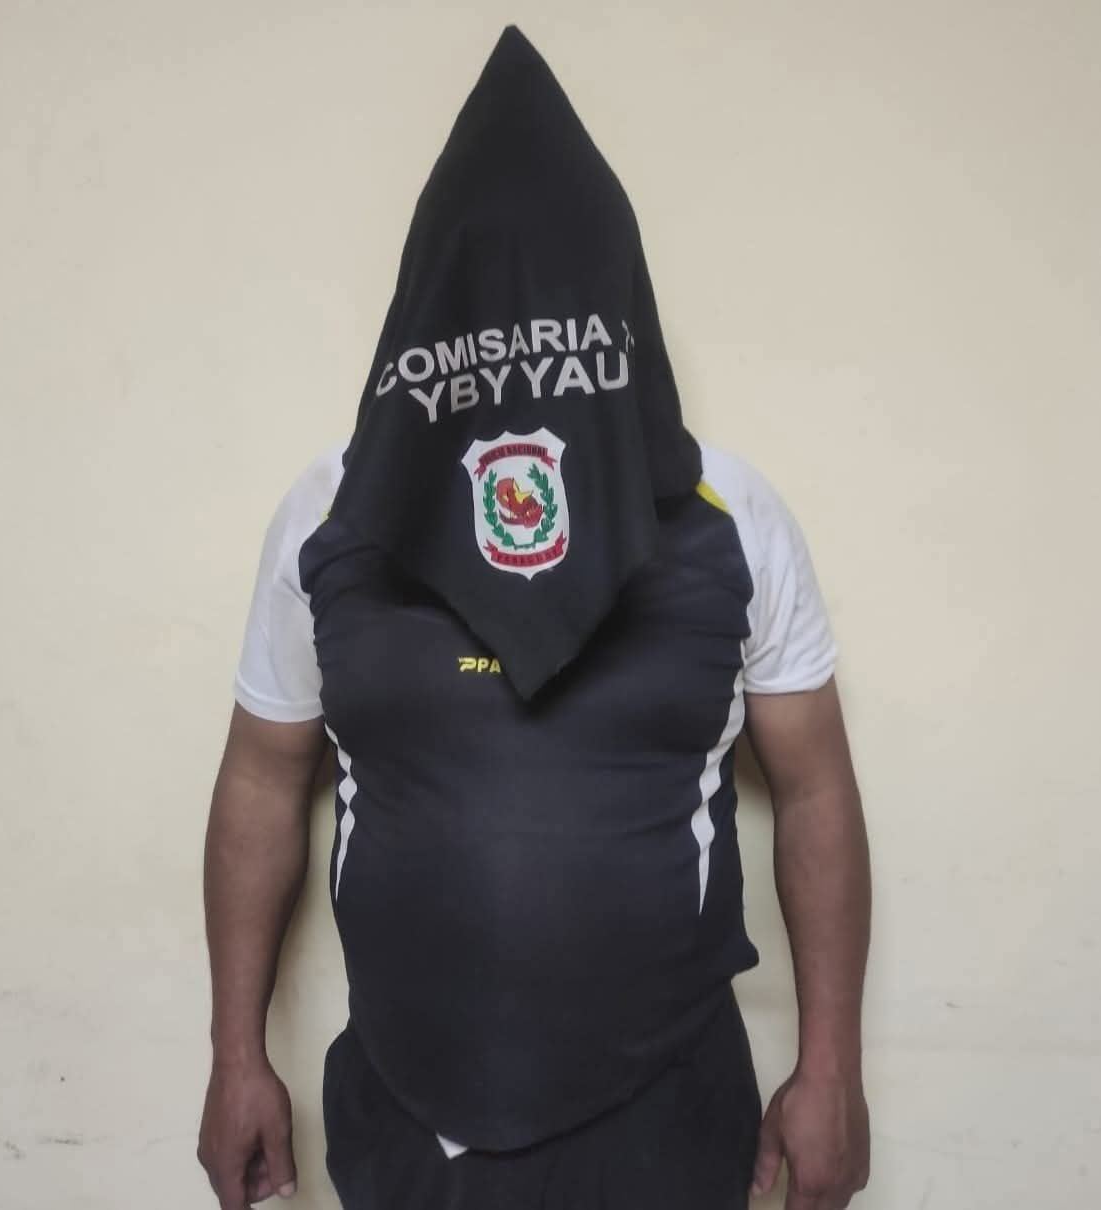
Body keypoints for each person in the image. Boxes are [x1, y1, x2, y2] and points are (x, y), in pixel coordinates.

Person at [197, 26, 871, 1210]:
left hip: (666, 1113)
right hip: (409, 1115)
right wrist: (235, 1055)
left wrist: (832, 1069)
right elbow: (261, 776)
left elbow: (815, 788)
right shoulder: (331, 512)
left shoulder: (731, 514)